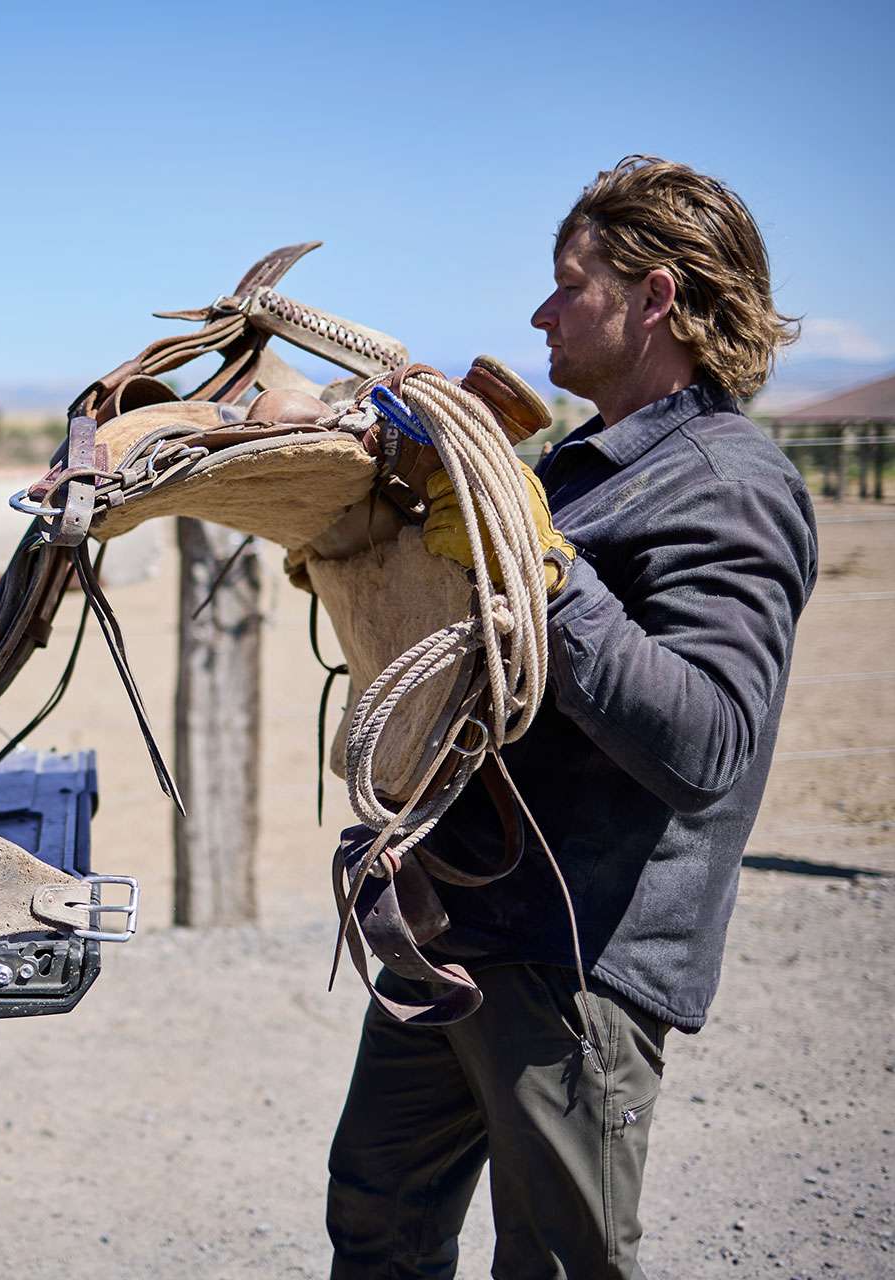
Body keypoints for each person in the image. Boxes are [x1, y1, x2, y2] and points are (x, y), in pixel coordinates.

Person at [325, 156, 817, 1278]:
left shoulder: (726, 482)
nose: (542, 315)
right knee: (377, 1221)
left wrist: (540, 571)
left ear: (655, 298)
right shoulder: (580, 467)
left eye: (569, 286)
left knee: (559, 1260)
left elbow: (708, 742)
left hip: (574, 960)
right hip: (457, 926)